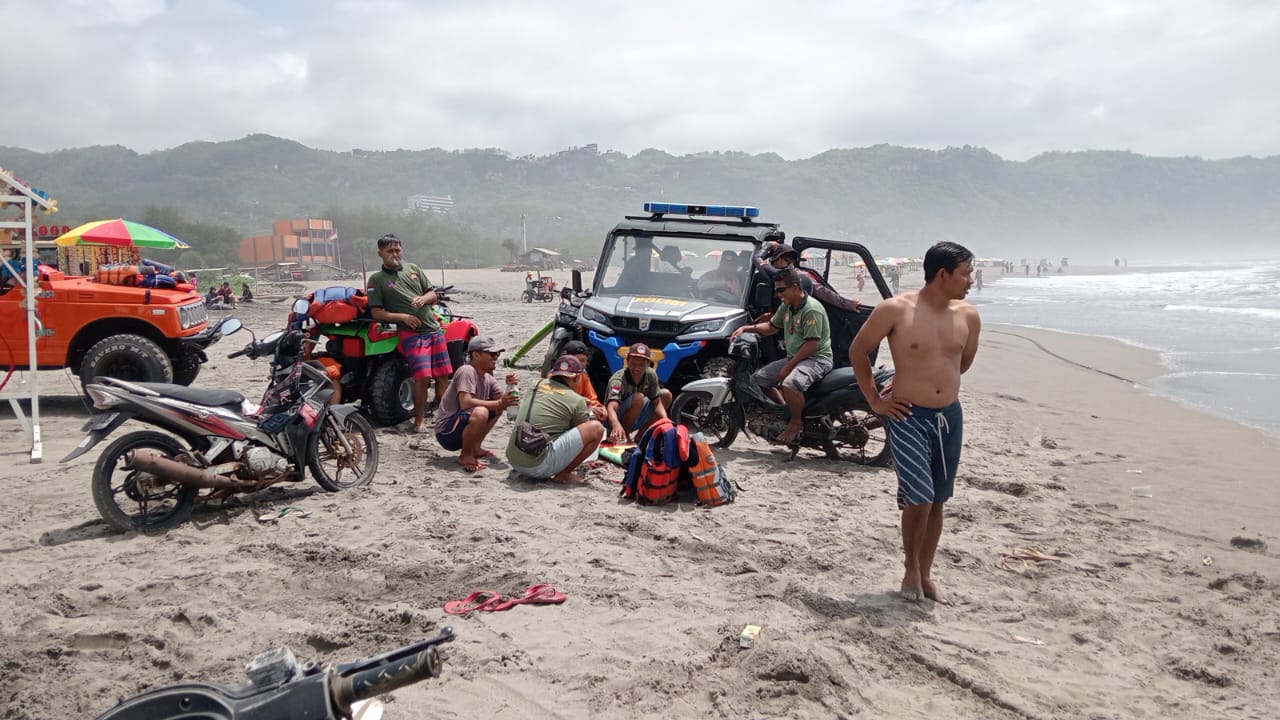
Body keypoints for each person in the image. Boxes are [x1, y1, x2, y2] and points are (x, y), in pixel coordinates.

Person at [848, 241, 981, 605]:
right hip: (907, 415)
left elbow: (961, 364)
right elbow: (858, 351)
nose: (971, 280)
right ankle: (910, 569)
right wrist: (875, 400)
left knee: (938, 499)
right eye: (966, 273)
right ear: (943, 274)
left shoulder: (969, 316)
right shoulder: (895, 310)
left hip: (949, 416)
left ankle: (926, 573)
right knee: (919, 496)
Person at [730, 267, 834, 445]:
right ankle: (784, 410)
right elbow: (771, 327)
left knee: (790, 383)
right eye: (776, 289)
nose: (778, 294)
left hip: (817, 358)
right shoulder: (787, 306)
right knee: (758, 379)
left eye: (781, 289)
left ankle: (795, 421)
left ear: (795, 287)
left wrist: (788, 366)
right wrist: (746, 328)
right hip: (796, 357)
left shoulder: (811, 310)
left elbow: (812, 345)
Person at [366, 233, 452, 433]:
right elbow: (377, 312)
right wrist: (403, 318)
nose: (395, 254)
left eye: (398, 250)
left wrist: (423, 299)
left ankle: (444, 415)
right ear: (380, 254)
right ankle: (419, 421)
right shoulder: (376, 280)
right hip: (412, 334)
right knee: (422, 377)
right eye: (390, 251)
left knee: (443, 375)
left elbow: (432, 293)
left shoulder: (414, 269)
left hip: (434, 329)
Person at [506, 354, 605, 484]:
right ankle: (564, 474)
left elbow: (555, 399)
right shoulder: (576, 400)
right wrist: (588, 411)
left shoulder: (535, 384)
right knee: (596, 428)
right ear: (577, 377)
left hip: (514, 458)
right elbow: (582, 432)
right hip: (537, 466)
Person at [435, 336, 519, 473]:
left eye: (497, 354)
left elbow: (503, 402)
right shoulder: (467, 370)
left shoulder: (488, 378)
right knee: (482, 411)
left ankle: (475, 447)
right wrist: (498, 402)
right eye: (491, 354)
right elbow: (465, 402)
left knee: (495, 409)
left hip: (462, 425)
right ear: (476, 355)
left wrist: (510, 385)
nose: (495, 357)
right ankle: (466, 455)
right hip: (446, 432)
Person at [605, 343, 672, 443]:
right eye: (633, 364)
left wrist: (666, 421)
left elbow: (656, 402)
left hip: (637, 414)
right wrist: (615, 424)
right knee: (638, 398)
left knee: (666, 395)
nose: (637, 368)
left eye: (641, 365)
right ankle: (624, 435)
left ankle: (642, 435)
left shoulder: (651, 375)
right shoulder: (618, 379)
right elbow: (611, 407)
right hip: (615, 419)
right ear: (627, 361)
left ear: (648, 363)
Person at [762, 243, 860, 312]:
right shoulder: (783, 274)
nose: (773, 263)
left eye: (774, 260)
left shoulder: (799, 276)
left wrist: (847, 304)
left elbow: (824, 293)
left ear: (780, 260)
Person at [556, 340, 607, 422]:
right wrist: (584, 405)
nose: (580, 365)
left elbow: (592, 398)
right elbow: (559, 400)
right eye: (576, 360)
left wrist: (599, 408)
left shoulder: (583, 375)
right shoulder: (556, 374)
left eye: (583, 361)